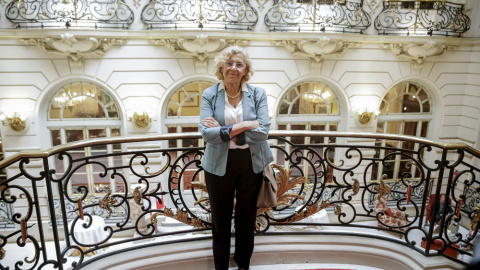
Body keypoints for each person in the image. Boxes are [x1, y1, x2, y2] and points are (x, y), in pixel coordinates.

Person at [199, 45, 273, 270]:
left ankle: (243, 264)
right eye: (229, 63)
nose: (233, 68)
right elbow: (206, 134)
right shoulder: (210, 94)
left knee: (246, 218)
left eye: (239, 64)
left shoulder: (257, 94)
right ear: (221, 67)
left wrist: (223, 129)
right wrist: (243, 125)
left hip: (251, 163)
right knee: (220, 221)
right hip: (218, 165)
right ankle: (220, 266)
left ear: (246, 70)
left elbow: (263, 131)